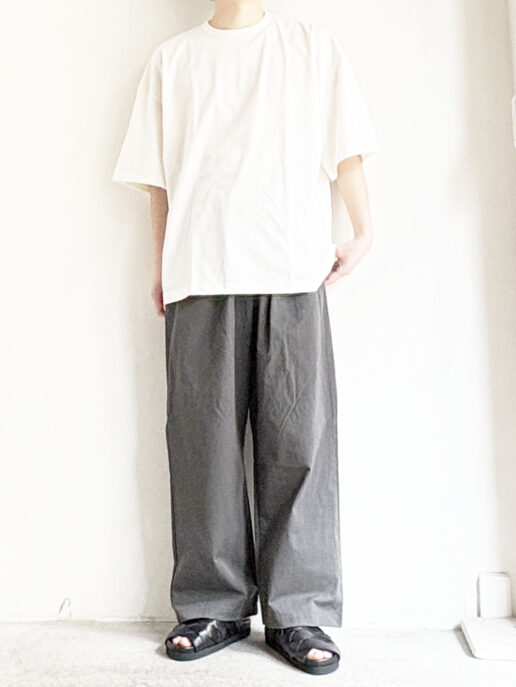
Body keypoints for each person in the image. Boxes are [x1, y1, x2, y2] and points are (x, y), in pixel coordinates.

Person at [112, 0, 379, 676]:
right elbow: (158, 182)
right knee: (202, 445)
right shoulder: (173, 61)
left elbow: (345, 146)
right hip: (200, 270)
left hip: (293, 269)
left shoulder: (310, 46)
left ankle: (299, 610)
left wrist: (363, 229)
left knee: (300, 445)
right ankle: (213, 605)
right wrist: (161, 266)